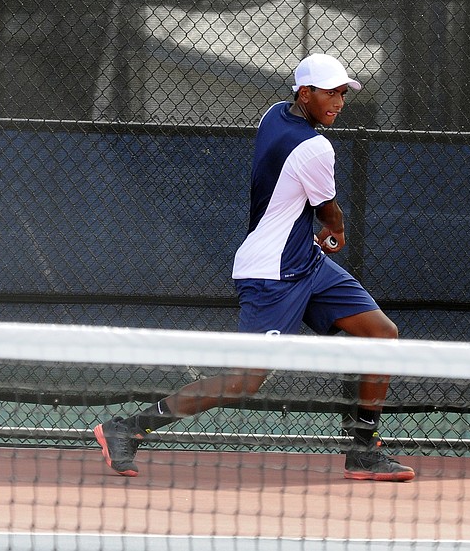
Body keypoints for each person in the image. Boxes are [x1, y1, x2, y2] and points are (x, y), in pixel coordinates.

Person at [94, 53, 415, 482]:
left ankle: (363, 450)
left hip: (305, 261)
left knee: (381, 334)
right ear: (305, 93)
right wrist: (336, 232)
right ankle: (127, 429)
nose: (339, 102)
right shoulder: (315, 147)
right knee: (243, 382)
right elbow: (329, 213)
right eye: (331, 93)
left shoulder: (273, 115)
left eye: (342, 93)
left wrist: (320, 238)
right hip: (271, 272)